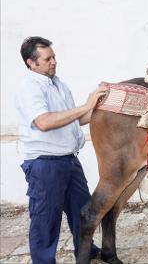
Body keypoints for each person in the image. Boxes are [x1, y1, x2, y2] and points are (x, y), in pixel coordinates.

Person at [15, 36, 107, 263]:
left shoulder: (59, 85)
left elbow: (77, 118)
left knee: (83, 211)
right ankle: (44, 260)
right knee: (46, 219)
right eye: (47, 59)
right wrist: (85, 105)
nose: (54, 62)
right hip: (44, 164)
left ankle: (87, 251)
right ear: (31, 63)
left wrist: (100, 105)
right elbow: (44, 122)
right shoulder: (29, 87)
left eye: (54, 57)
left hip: (68, 160)